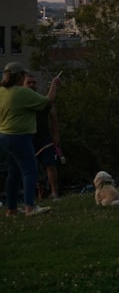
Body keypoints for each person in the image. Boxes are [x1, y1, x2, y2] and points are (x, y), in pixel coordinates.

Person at [1, 62, 60, 216]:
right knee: (30, 171)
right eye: (24, 76)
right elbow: (48, 101)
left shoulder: (2, 91)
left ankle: (11, 208)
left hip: (4, 137)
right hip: (20, 137)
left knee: (13, 173)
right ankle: (30, 207)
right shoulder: (21, 92)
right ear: (19, 76)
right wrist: (54, 84)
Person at [26, 74, 61, 200]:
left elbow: (53, 115)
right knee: (30, 169)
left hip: (44, 138)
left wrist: (56, 136)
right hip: (27, 139)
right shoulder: (21, 99)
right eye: (29, 82)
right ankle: (36, 194)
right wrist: (54, 84)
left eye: (34, 82)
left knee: (50, 164)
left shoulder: (40, 99)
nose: (32, 85)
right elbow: (50, 98)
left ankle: (54, 192)